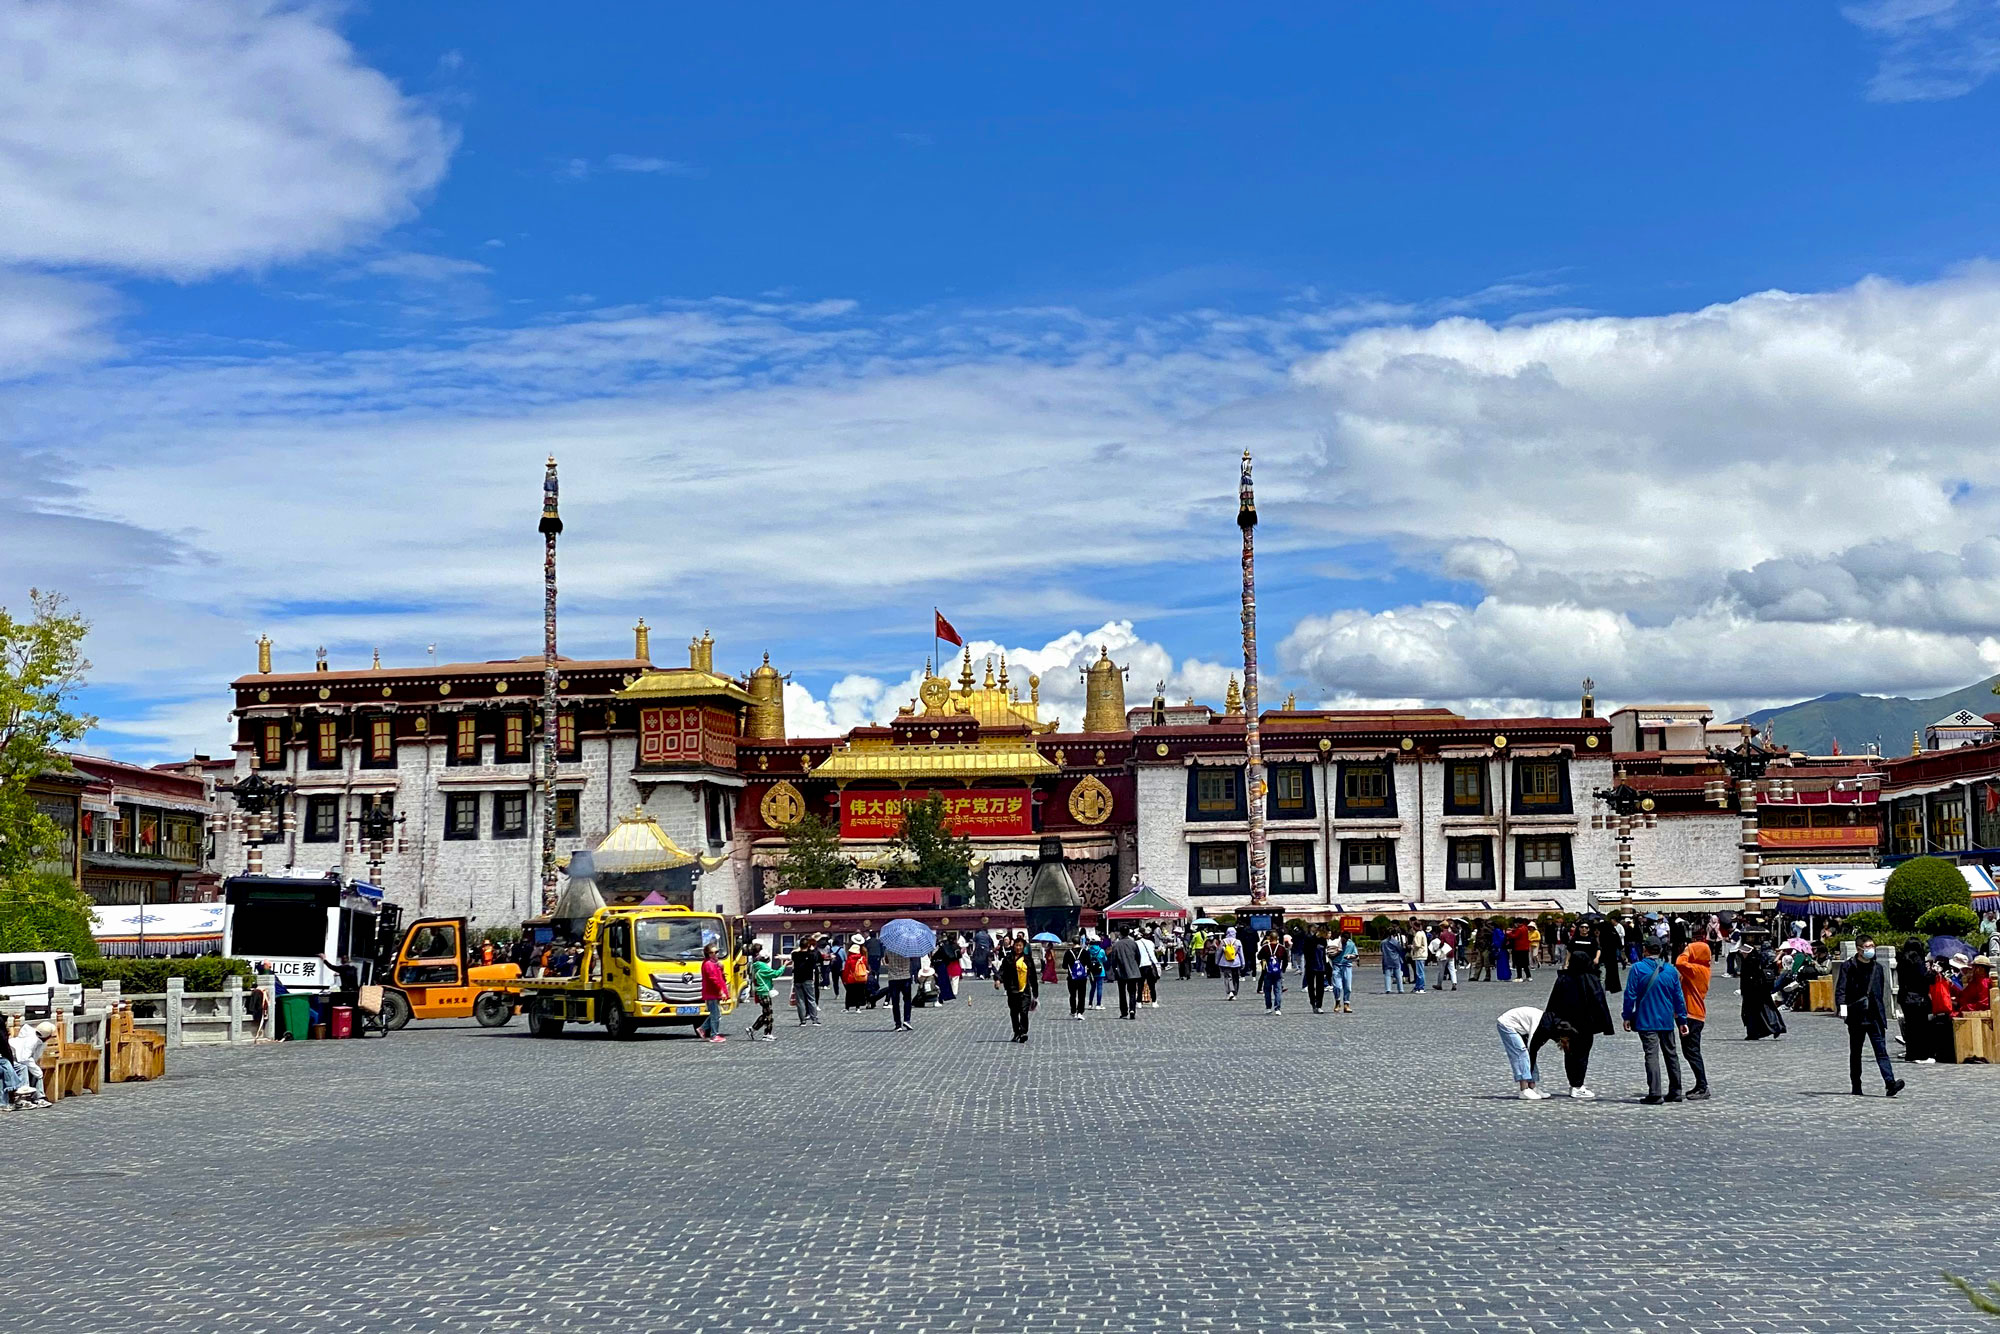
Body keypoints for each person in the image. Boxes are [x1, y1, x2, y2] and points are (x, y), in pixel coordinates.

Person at [1533, 946, 1614, 1099]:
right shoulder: (1591, 979)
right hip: (1585, 1024)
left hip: (1566, 1024)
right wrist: (1605, 1024)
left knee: (1570, 1054)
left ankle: (1574, 1084)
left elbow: (1553, 1002)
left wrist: (1552, 1022)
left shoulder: (1563, 978)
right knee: (1582, 1055)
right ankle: (1578, 1085)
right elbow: (1599, 1001)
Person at [1835, 935, 1905, 1098]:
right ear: (1859, 949)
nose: (1870, 950)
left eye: (1872, 946)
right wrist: (1843, 1011)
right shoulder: (1848, 967)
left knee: (1881, 1051)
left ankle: (1890, 1083)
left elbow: (1879, 991)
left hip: (1875, 1016)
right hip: (1856, 1017)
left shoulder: (1878, 968)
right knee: (1856, 1052)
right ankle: (1856, 1084)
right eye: (1867, 947)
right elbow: (1841, 990)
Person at [1622, 940, 1689, 1105]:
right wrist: (1682, 1019)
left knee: (1651, 1056)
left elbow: (1630, 994)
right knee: (1671, 1055)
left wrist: (1627, 1016)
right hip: (1666, 1019)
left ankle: (1655, 1092)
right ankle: (1676, 1090)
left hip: (1646, 1019)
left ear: (1644, 950)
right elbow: (1678, 997)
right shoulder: (1670, 970)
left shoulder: (1638, 968)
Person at [1497, 1005, 1569, 1099]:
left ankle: (1532, 1087)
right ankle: (1524, 1089)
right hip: (1507, 1024)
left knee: (1529, 1054)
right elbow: (1532, 1049)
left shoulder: (1550, 1024)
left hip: (1520, 1026)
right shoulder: (1543, 1027)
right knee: (1521, 1053)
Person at [1674, 940, 1714, 1101]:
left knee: (1692, 1051)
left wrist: (1686, 951)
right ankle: (1700, 1084)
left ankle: (1703, 1085)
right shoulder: (1701, 969)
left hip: (1692, 1015)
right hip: (1692, 1014)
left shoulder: (1697, 970)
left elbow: (1679, 962)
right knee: (1690, 1051)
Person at [1738, 940, 1786, 1041]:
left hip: (1756, 992)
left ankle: (1757, 1032)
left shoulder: (1753, 961)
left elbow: (1753, 977)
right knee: (1756, 1013)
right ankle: (1756, 1032)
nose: (1742, 954)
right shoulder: (1750, 960)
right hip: (1753, 992)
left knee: (1755, 1013)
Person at [745, 943, 785, 1042]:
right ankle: (767, 1034)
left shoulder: (754, 965)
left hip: (760, 991)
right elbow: (775, 974)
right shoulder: (762, 966)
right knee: (769, 1015)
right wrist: (784, 966)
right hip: (764, 992)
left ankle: (753, 1029)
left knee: (765, 1013)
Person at [998, 938, 1033, 1043]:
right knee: (1014, 1012)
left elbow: (1033, 976)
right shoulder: (1008, 959)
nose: (1018, 948)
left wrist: (1035, 991)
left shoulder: (1027, 959)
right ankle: (1016, 1032)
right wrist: (998, 980)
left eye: (1020, 946)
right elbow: (1002, 971)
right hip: (1012, 989)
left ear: (1023, 947)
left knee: (1024, 1011)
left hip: (1025, 990)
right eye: (1017, 945)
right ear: (1014, 946)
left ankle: (1023, 1032)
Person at [1110, 929, 1144, 1020]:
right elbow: (1138, 956)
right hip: (1133, 971)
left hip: (1121, 971)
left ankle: (1124, 1012)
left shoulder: (1116, 945)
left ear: (1120, 933)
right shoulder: (1133, 943)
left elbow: (1113, 959)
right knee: (1132, 992)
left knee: (1122, 992)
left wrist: (1114, 969)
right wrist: (1135, 965)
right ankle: (1132, 1009)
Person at [698, 944, 729, 1044]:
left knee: (716, 1013)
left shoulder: (714, 963)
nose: (714, 954)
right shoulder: (708, 964)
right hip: (712, 993)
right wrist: (721, 991)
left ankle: (702, 1028)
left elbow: (720, 977)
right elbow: (714, 980)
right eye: (711, 952)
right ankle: (714, 1035)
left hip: (714, 992)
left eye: (716, 952)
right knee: (715, 1015)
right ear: (707, 953)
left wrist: (722, 968)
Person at [791, 934, 823, 1026]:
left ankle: (802, 1020)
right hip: (808, 978)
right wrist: (811, 949)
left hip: (797, 979)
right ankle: (814, 1019)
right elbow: (817, 958)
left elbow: (794, 953)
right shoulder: (811, 955)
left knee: (800, 1000)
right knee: (811, 999)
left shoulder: (795, 954)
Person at [882, 950, 916, 1032]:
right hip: (905, 976)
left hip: (893, 978)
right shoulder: (907, 949)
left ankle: (898, 1024)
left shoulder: (888, 950)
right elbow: (912, 960)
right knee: (907, 999)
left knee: (895, 1002)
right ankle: (907, 1020)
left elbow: (886, 961)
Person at [1303, 931, 1330, 1013]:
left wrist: (1326, 967)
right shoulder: (1309, 939)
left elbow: (1324, 955)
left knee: (1320, 987)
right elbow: (1305, 952)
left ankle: (1319, 1005)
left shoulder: (1323, 941)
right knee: (1311, 986)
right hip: (1311, 966)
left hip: (1321, 967)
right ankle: (1313, 1003)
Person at [1258, 935, 1286, 1015]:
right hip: (1277, 972)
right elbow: (1286, 959)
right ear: (1277, 938)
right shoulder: (1281, 948)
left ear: (1269, 938)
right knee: (1278, 990)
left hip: (1268, 971)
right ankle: (1277, 1008)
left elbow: (1259, 956)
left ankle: (1268, 1007)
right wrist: (1283, 969)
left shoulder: (1265, 947)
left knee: (1267, 990)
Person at [1062, 938, 1089, 1020]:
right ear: (1080, 942)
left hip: (1071, 977)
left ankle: (1073, 1010)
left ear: (1072, 942)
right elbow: (1089, 964)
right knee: (1082, 995)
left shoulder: (1068, 953)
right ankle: (1080, 1012)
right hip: (1082, 978)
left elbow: (1064, 966)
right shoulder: (1084, 952)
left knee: (1072, 995)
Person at [842, 940, 872, 1011]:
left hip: (851, 978)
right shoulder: (862, 958)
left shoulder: (849, 959)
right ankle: (858, 1007)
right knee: (859, 993)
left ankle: (847, 1007)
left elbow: (846, 970)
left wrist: (844, 979)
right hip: (860, 978)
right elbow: (866, 967)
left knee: (849, 993)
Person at [1218, 928, 1246, 999]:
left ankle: (1230, 991)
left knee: (1228, 977)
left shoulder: (1223, 941)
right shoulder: (1238, 942)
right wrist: (1243, 963)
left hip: (1225, 962)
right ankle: (1235, 993)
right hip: (1236, 962)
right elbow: (1241, 954)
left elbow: (1219, 953)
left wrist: (1217, 961)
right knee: (1235, 977)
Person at [1137, 931, 1162, 1007]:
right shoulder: (1151, 943)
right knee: (1152, 985)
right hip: (1150, 965)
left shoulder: (1136, 943)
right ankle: (1154, 1002)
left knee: (1140, 985)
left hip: (1141, 965)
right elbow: (1153, 953)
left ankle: (1139, 1002)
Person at [1086, 935, 1108, 1010]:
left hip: (1091, 971)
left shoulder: (1088, 950)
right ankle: (1098, 1004)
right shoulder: (1101, 950)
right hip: (1100, 970)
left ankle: (1090, 1004)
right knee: (1099, 988)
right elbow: (1105, 960)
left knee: (1092, 987)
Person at [1381, 929, 1406, 994]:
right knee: (1398, 975)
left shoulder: (1383, 942)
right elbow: (1400, 949)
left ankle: (1388, 989)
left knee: (1387, 975)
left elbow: (1381, 950)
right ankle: (1400, 989)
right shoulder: (1395, 942)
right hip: (1395, 959)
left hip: (1386, 959)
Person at [1408, 925, 1430, 993]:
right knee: (1419, 972)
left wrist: (1411, 946)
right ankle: (1417, 987)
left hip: (1419, 955)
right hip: (1421, 954)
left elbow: (1417, 945)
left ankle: (1421, 987)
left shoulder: (1418, 934)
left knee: (1420, 972)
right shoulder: (1422, 933)